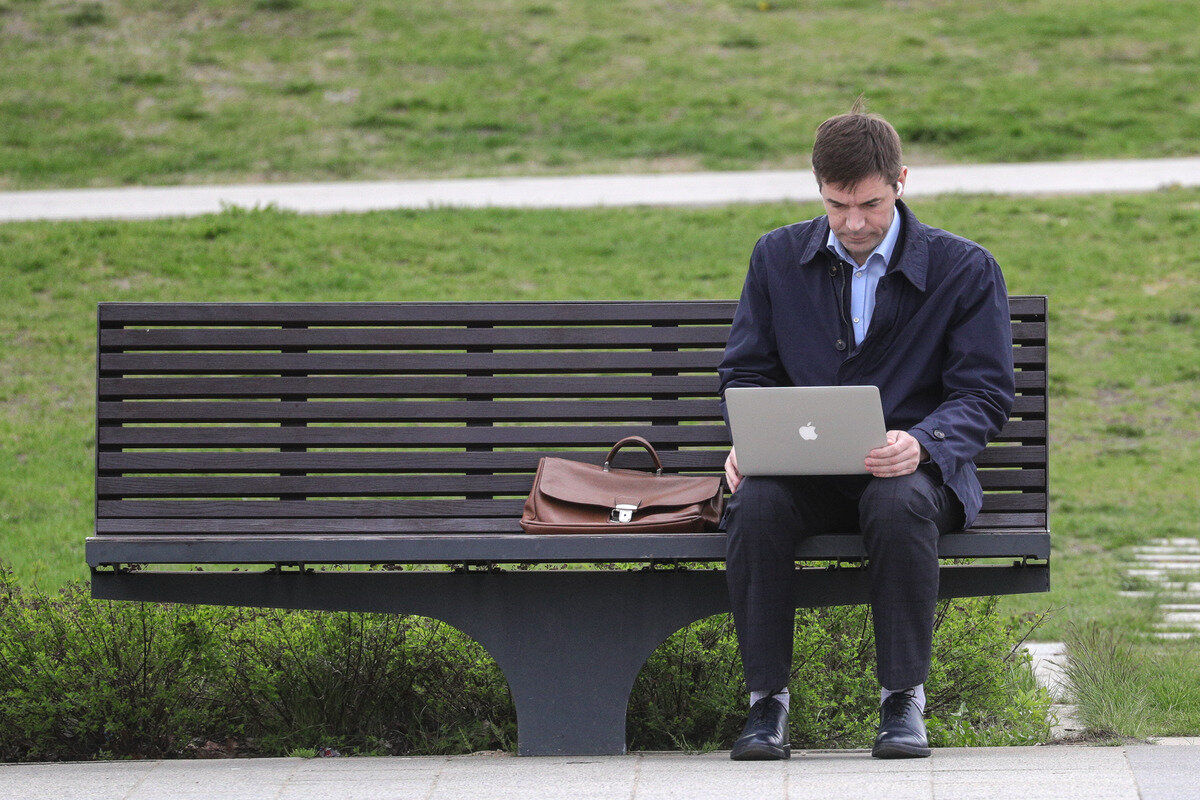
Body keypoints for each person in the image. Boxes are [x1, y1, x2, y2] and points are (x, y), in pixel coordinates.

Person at [718, 102, 1015, 761]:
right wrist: (748, 437)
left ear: (901, 180)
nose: (854, 223)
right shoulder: (775, 258)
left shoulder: (964, 269)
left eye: (871, 205)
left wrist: (924, 443)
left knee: (897, 497)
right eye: (836, 205)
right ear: (819, 188)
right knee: (756, 503)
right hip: (805, 474)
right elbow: (746, 370)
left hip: (915, 476)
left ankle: (903, 701)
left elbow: (985, 392)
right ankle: (766, 704)